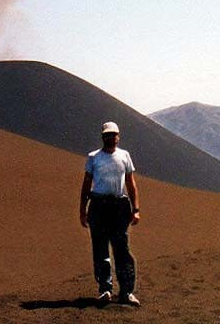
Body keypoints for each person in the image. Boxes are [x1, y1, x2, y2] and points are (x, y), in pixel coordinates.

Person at [79, 121, 141, 306]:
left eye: (113, 135)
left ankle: (127, 292)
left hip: (119, 206)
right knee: (100, 249)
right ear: (102, 137)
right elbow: (86, 184)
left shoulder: (124, 155)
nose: (110, 138)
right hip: (98, 205)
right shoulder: (93, 157)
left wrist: (136, 209)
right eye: (107, 135)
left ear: (118, 137)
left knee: (122, 249)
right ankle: (105, 289)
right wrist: (82, 210)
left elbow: (130, 183)